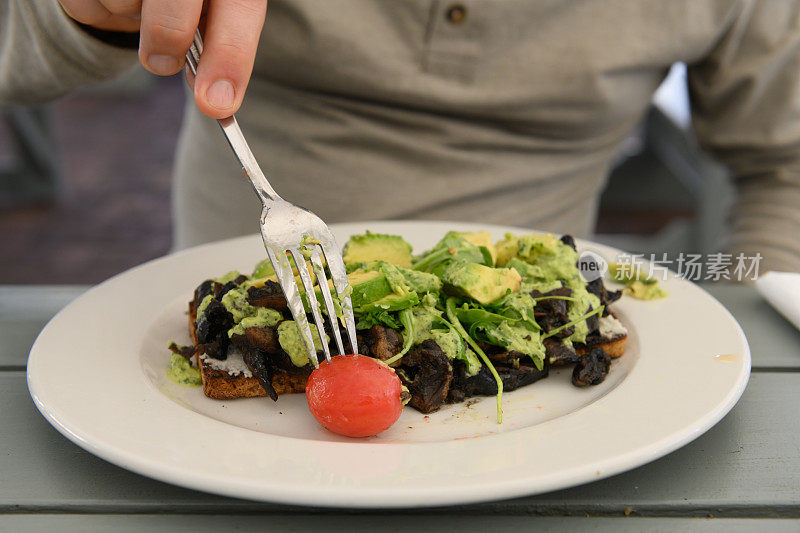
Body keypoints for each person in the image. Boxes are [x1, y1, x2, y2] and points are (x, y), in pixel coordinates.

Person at [1, 0, 799, 272]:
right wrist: (79, 17)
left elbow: (787, 165)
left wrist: (741, 340)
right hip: (219, 300)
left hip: (538, 389)